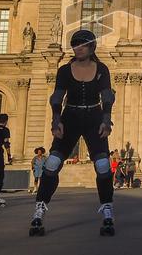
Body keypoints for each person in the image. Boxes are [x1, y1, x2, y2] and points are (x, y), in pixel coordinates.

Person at [30, 29, 117, 237]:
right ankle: (39, 210)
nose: (78, 48)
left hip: (94, 117)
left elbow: (107, 96)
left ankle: (107, 211)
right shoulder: (64, 70)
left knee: (103, 165)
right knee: (52, 164)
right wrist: (56, 119)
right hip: (70, 116)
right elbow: (57, 97)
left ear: (92, 48)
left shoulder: (102, 69)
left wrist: (106, 120)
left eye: (83, 45)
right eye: (75, 44)